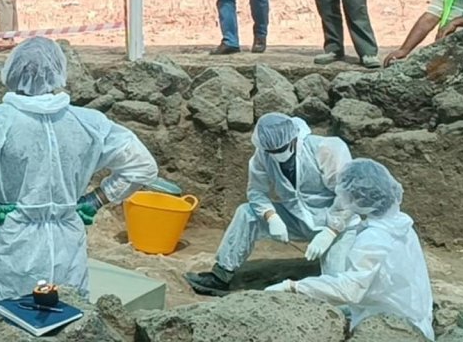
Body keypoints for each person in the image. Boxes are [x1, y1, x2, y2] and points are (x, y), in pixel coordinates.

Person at [0, 37, 158, 319]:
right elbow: (142, 165)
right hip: (67, 246)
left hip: (13, 244)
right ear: (59, 73)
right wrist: (98, 198)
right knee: (67, 320)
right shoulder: (88, 123)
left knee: (6, 324)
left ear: (11, 72)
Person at [185, 112, 355, 296]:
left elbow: (348, 194)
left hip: (336, 224)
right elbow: (256, 191)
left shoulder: (325, 149)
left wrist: (331, 232)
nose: (277, 154)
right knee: (246, 212)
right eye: (272, 151)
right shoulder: (263, 155)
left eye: (281, 148)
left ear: (293, 137)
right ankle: (220, 276)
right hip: (297, 218)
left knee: (337, 292)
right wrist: (271, 216)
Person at [266, 159, 434, 340]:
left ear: (357, 197)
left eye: (345, 193)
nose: (341, 196)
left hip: (387, 330)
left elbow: (349, 289)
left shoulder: (373, 239)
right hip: (414, 322)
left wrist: (294, 287)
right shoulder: (401, 223)